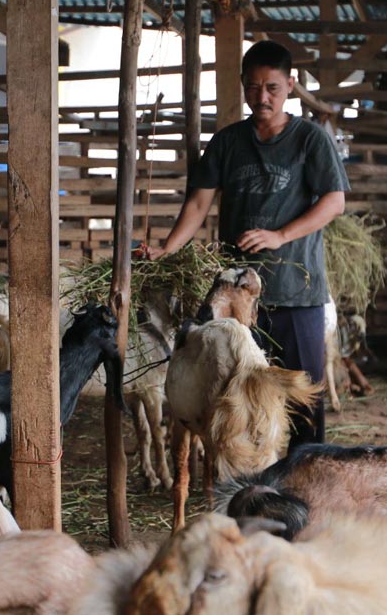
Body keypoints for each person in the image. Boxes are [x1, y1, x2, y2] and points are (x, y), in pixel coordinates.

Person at [146, 40, 349, 447]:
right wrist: (168, 248)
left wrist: (280, 235)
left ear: (290, 84)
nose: (262, 97)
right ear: (242, 84)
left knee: (303, 400)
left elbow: (335, 201)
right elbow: (199, 202)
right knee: (238, 395)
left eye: (272, 87)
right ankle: (250, 474)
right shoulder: (228, 142)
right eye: (253, 87)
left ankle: (304, 475)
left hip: (296, 294)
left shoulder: (310, 140)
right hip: (235, 298)